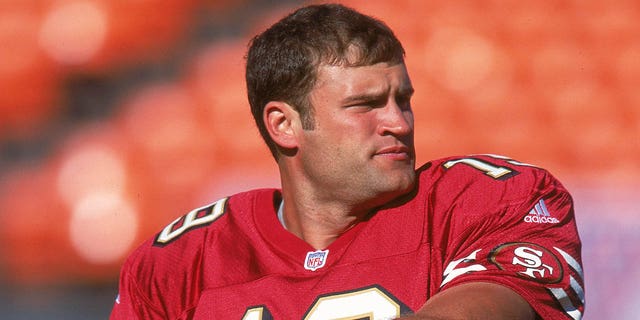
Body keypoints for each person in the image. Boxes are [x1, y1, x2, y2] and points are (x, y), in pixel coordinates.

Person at [110, 3, 584, 319]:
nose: (398, 122)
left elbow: (499, 305)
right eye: (365, 105)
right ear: (283, 125)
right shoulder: (181, 262)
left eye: (403, 99)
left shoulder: (482, 199)